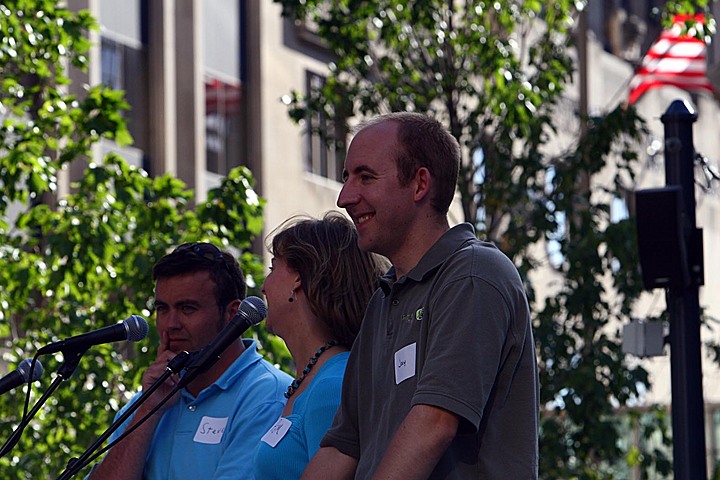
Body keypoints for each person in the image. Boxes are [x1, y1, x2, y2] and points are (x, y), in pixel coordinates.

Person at [302, 113, 539, 479]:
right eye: (347, 177)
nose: (345, 197)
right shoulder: (383, 300)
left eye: (365, 177)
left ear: (419, 184)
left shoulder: (474, 274)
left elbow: (434, 425)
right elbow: (342, 446)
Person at [89, 242, 292, 480]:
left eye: (187, 308)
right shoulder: (145, 403)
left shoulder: (268, 396)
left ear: (233, 314)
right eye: (162, 309)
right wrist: (149, 409)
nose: (171, 324)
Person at [253, 212, 384, 479]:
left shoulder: (333, 385)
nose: (264, 287)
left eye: (273, 267)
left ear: (298, 279)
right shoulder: (315, 379)